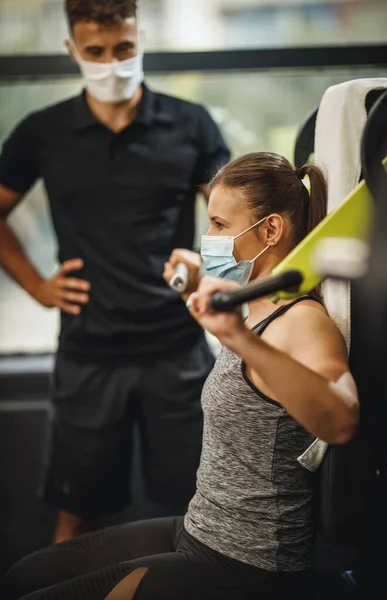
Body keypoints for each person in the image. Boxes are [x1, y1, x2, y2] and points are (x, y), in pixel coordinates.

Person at [3, 152, 359, 600]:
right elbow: (250, 366)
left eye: (219, 224)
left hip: (247, 563)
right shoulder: (257, 309)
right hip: (199, 528)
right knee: (22, 577)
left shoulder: (303, 319)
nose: (207, 238)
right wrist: (195, 291)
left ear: (270, 230)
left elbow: (341, 420)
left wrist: (239, 338)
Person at [0, 0, 230, 543]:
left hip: (179, 354)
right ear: (72, 49)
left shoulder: (191, 123)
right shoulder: (42, 131)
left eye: (123, 48)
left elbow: (238, 223)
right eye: (95, 51)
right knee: (76, 516)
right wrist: (36, 285)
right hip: (89, 357)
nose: (112, 62)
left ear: (140, 38)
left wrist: (207, 261)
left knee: (203, 513)